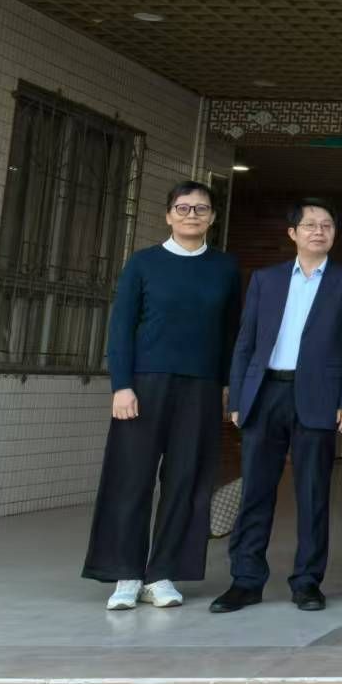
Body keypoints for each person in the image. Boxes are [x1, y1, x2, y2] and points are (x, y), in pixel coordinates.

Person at [83, 180, 241, 610]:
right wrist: (122, 385)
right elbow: (121, 328)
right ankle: (126, 574)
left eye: (201, 208)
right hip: (144, 384)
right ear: (168, 215)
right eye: (183, 208)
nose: (192, 215)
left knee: (186, 480)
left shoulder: (225, 268)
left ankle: (163, 573)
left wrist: (229, 385)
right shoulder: (143, 263)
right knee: (130, 478)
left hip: (202, 386)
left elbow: (232, 332)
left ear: (212, 217)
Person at [212, 199, 342, 613]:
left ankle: (307, 582)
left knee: (313, 494)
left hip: (319, 397)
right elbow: (245, 342)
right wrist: (238, 396)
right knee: (255, 492)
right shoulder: (266, 279)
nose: (319, 231)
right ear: (292, 233)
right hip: (266, 394)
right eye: (310, 224)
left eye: (327, 225)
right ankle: (245, 580)